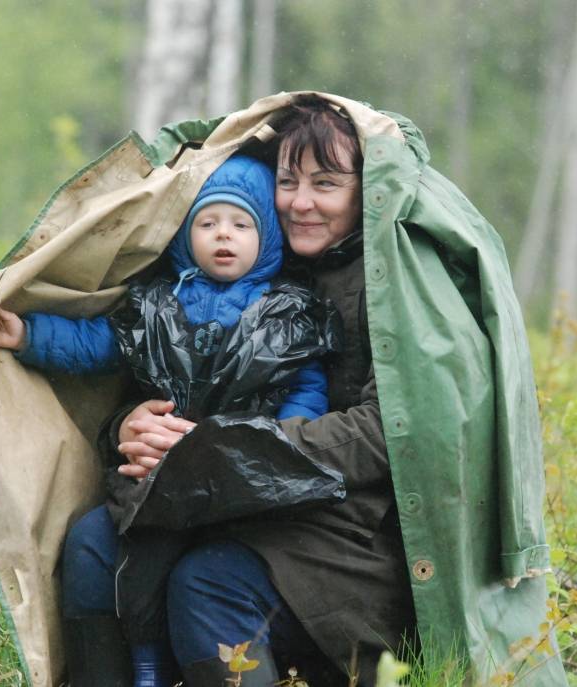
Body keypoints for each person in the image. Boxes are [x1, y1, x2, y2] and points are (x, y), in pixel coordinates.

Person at [0, 153, 339, 687]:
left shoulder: (289, 314)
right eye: (208, 223)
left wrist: (278, 449)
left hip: (246, 488)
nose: (224, 236)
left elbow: (306, 395)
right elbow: (98, 345)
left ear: (267, 236)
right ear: (181, 234)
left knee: (196, 573)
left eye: (241, 224)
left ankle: (164, 668)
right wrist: (30, 337)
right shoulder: (156, 304)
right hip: (157, 481)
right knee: (92, 544)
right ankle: (119, 672)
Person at [106, 96, 417, 686]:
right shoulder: (253, 262)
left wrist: (229, 451)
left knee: (208, 583)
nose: (300, 202)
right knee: (99, 549)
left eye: (325, 183)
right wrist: (130, 425)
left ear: (368, 187)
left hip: (358, 534)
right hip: (250, 502)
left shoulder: (394, 281)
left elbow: (391, 431)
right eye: (288, 180)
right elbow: (175, 378)